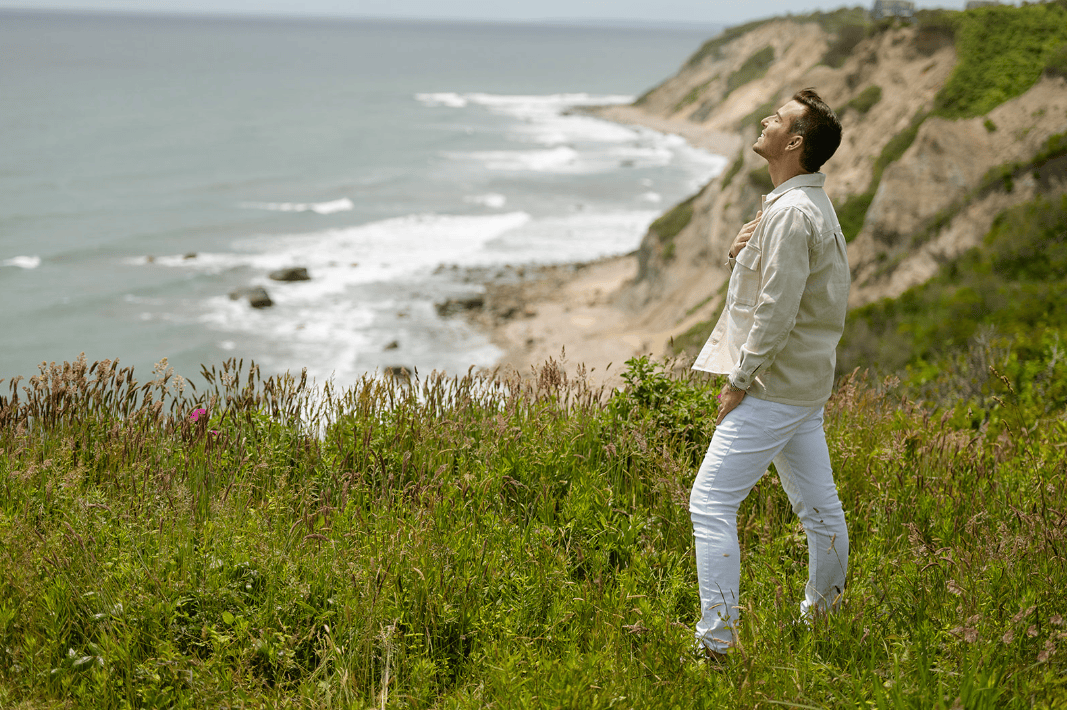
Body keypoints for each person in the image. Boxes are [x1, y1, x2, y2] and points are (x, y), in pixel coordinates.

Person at [688, 88, 850, 661]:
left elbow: (777, 311)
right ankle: (823, 618)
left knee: (709, 503)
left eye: (776, 119)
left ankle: (716, 646)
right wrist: (740, 257)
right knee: (820, 509)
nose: (765, 120)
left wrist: (739, 379)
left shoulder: (790, 213)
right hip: (803, 386)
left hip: (772, 387)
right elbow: (793, 293)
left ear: (795, 142)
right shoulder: (807, 207)